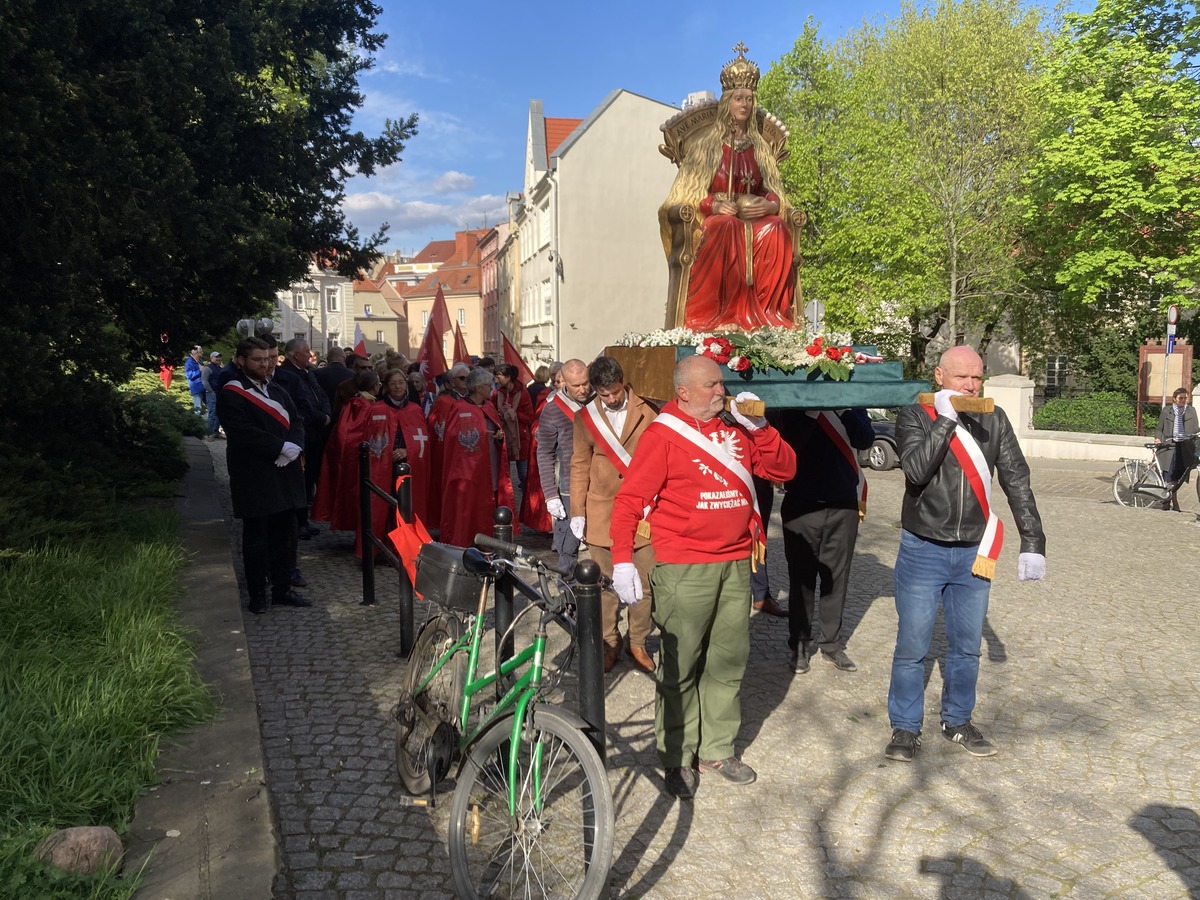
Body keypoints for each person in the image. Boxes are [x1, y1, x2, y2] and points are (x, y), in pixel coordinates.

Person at [610, 355, 797, 798]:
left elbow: (785, 469)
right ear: (684, 392)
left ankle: (716, 748)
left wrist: (762, 429)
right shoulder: (663, 436)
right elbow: (629, 501)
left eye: (722, 383)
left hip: (735, 564)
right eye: (712, 385)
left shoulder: (736, 428)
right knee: (681, 665)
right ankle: (676, 755)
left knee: (727, 662)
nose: (722, 391)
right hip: (683, 566)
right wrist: (621, 559)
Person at [885, 346, 1046, 763]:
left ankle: (957, 720)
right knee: (912, 645)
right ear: (940, 376)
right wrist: (946, 420)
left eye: (977, 377)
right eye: (962, 378)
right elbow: (917, 471)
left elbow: (1017, 481)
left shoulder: (995, 418)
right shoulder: (915, 415)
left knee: (966, 648)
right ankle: (905, 728)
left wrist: (1033, 540)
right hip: (924, 548)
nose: (972, 386)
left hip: (975, 550)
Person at [660, 43, 795, 332]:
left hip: (755, 220)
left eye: (749, 98)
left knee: (777, 229)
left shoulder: (760, 148)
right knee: (726, 226)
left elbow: (773, 191)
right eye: (738, 98)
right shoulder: (707, 145)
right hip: (718, 220)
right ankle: (718, 316)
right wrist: (712, 205)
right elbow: (684, 195)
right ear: (727, 102)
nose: (744, 104)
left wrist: (770, 205)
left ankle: (768, 318)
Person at [570, 356, 657, 674]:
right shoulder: (585, 418)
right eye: (603, 394)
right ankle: (610, 642)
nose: (610, 399)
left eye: (615, 392)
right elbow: (579, 464)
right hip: (603, 511)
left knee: (644, 583)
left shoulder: (648, 410)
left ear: (624, 382)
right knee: (605, 586)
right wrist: (577, 511)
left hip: (643, 512)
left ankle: (638, 641)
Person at [775, 408, 874, 674]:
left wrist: (845, 412)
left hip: (843, 505)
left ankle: (831, 644)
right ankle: (799, 645)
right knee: (801, 579)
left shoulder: (853, 407)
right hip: (802, 503)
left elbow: (865, 439)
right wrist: (810, 414)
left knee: (836, 579)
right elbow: (786, 450)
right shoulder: (795, 409)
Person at [219, 337, 311, 614]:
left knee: (287, 534)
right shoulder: (231, 392)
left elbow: (296, 421)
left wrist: (294, 446)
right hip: (255, 475)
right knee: (257, 538)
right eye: (258, 359)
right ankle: (257, 594)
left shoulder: (279, 391)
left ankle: (282, 588)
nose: (265, 364)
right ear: (241, 361)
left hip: (286, 471)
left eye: (269, 359)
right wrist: (279, 447)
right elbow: (241, 431)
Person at [439, 368, 516, 548]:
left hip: (490, 463)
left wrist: (498, 436)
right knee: (469, 504)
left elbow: (497, 428)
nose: (491, 388)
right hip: (468, 468)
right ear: (479, 387)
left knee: (490, 501)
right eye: (488, 385)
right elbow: (452, 438)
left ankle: (488, 538)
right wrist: (481, 435)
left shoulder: (489, 406)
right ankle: (466, 538)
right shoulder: (459, 408)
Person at [273, 339, 332, 539]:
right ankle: (298, 522)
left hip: (316, 432)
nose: (310, 354)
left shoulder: (308, 372)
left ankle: (303, 520)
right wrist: (319, 417)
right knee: (300, 478)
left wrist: (326, 413)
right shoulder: (289, 376)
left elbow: (321, 396)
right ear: (296, 355)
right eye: (306, 351)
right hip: (303, 432)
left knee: (309, 477)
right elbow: (299, 406)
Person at [537, 359, 591, 572]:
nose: (583, 389)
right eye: (576, 385)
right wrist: (550, 495)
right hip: (569, 487)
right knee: (568, 547)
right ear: (563, 383)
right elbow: (544, 453)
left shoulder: (597, 402)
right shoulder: (552, 410)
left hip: (599, 484)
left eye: (585, 383)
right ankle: (567, 595)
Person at [380, 368, 433, 527]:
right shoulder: (377, 409)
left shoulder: (414, 409)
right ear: (387, 386)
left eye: (401, 383)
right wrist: (387, 452)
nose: (398, 387)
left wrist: (407, 450)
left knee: (407, 502)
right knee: (386, 502)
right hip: (384, 465)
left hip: (409, 463)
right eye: (393, 383)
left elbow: (423, 439)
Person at [1154, 388, 1198, 511]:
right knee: (1169, 475)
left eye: (1186, 398)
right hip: (1169, 446)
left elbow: (1195, 430)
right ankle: (1172, 501)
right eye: (1181, 398)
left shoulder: (1191, 411)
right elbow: (1159, 429)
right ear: (1174, 399)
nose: (1183, 400)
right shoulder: (1166, 411)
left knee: (1180, 476)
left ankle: (1169, 499)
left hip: (1184, 447)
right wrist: (1158, 438)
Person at [494, 363, 534, 493]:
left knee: (523, 474)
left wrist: (514, 414)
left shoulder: (523, 393)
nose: (496, 380)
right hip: (503, 438)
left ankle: (525, 503)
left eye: (499, 377)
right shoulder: (497, 393)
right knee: (504, 474)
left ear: (508, 377)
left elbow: (530, 417)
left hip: (520, 440)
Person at [202, 351, 223, 440]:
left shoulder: (220, 368)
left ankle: (215, 432)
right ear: (211, 358)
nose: (218, 358)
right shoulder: (207, 368)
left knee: (218, 413)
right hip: (211, 393)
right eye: (216, 357)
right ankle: (209, 433)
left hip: (219, 393)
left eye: (219, 357)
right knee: (211, 413)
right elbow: (204, 381)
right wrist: (210, 391)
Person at [185, 346, 206, 415]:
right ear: (196, 353)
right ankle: (196, 422)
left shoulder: (200, 361)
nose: (202, 353)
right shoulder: (189, 362)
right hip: (196, 387)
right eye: (201, 351)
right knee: (197, 407)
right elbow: (189, 375)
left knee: (210, 404)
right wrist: (199, 371)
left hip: (203, 386)